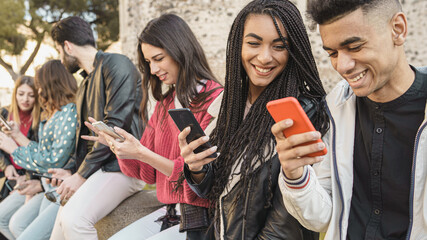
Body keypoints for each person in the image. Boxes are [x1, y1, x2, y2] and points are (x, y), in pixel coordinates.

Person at [274, 0, 427, 239]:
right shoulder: (336, 105)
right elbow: (323, 218)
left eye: (355, 47)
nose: (342, 66)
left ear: (398, 29)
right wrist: (296, 175)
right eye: (332, 53)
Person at [178, 0, 328, 239]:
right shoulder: (229, 105)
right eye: (254, 43)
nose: (265, 57)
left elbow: (284, 228)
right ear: (239, 45)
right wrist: (197, 168)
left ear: (294, 51)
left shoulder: (304, 114)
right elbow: (216, 192)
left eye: (279, 46)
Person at [83, 14, 223, 239]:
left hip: (200, 220)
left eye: (158, 58)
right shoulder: (164, 104)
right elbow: (146, 173)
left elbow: (199, 180)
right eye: (149, 62)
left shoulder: (215, 100)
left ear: (180, 50)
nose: (154, 68)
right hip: (170, 215)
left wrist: (141, 152)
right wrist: (118, 146)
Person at [48, 16, 145, 239]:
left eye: (59, 51)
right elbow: (85, 139)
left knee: (74, 220)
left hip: (125, 166)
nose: (60, 59)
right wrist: (71, 171)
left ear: (67, 46)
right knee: (59, 230)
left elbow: (115, 127)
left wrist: (80, 176)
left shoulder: (117, 64)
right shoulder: (84, 84)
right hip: (99, 168)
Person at [0, 60, 78, 240]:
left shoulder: (68, 112)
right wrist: (17, 135)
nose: (39, 91)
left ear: (50, 84)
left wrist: (14, 149)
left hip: (60, 187)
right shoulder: (54, 113)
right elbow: (43, 151)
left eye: (39, 87)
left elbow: (52, 160)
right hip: (48, 186)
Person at [0, 76, 41, 239]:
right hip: (9, 176)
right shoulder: (4, 112)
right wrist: (6, 165)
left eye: (31, 95)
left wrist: (26, 177)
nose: (25, 99)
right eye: (21, 94)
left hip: (30, 177)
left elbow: (38, 153)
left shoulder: (39, 119)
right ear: (15, 94)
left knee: (12, 221)